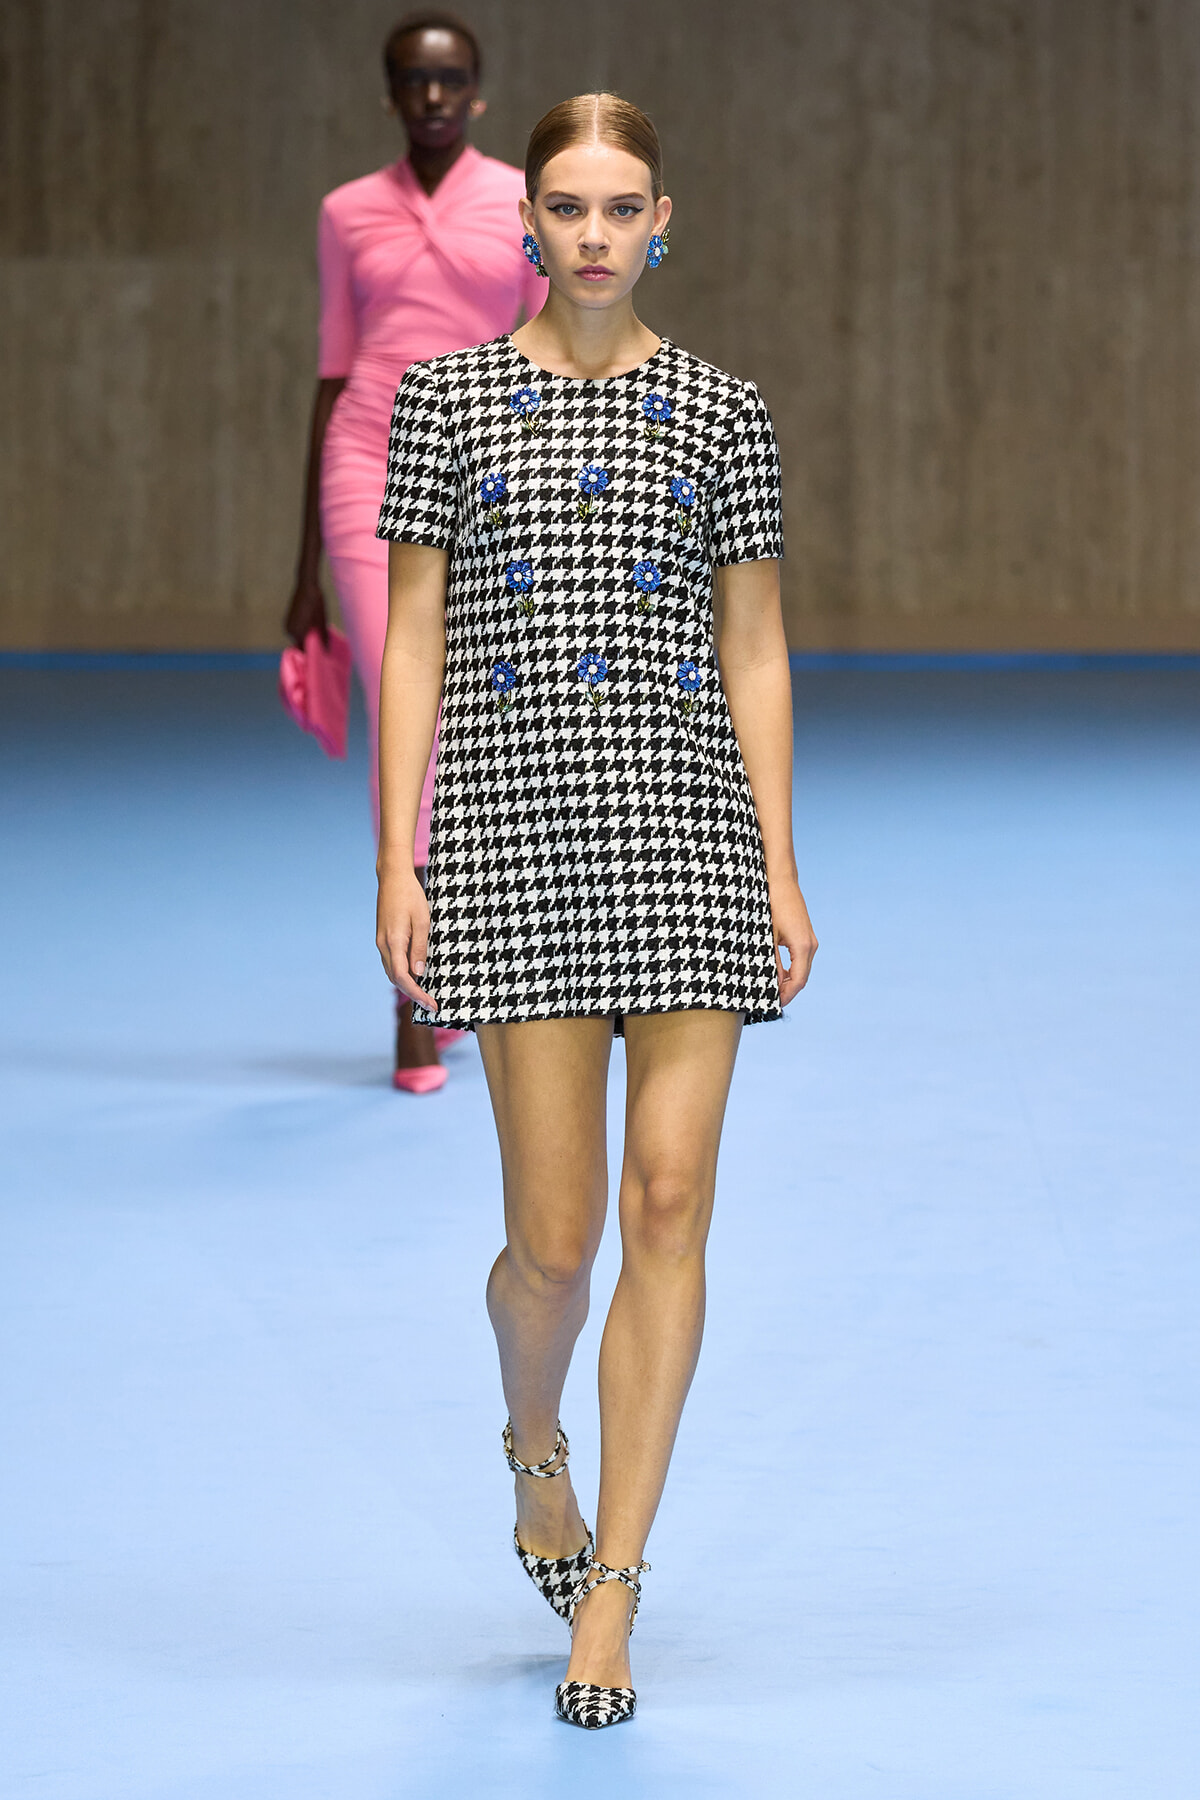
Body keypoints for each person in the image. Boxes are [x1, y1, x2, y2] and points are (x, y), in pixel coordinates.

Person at [374, 92, 818, 1728]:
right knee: (553, 1248)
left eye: (623, 207)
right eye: (568, 206)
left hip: (689, 841)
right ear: (530, 223)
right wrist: (396, 857)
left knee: (672, 1203)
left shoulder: (724, 411)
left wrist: (776, 862)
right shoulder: (448, 404)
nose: (595, 234)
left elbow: (754, 647)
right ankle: (534, 1446)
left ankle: (613, 1588)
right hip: (509, 845)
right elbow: (410, 638)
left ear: (665, 220)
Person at [284, 10, 545, 1094]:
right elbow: (334, 375)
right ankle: (413, 989)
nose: (432, 97)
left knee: (497, 716)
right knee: (411, 716)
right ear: (390, 95)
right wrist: (302, 570)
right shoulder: (347, 213)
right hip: (365, 472)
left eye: (450, 81)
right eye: (412, 81)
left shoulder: (520, 206)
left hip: (488, 476)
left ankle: (501, 960)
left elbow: (550, 362)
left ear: (477, 92)